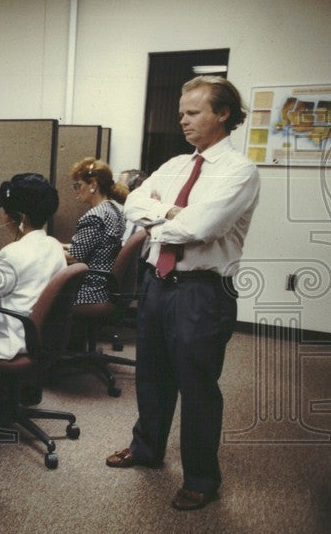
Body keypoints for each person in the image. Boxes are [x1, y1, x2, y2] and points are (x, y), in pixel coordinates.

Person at [105, 76, 259, 511]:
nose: (183, 122)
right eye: (181, 114)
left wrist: (164, 217)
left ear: (222, 114)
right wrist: (167, 211)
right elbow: (133, 204)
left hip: (202, 292)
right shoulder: (175, 164)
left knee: (197, 386)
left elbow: (200, 228)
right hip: (157, 283)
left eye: (193, 113)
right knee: (151, 375)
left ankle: (202, 478)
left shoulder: (239, 171)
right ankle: (147, 448)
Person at [0, 173, 66, 362]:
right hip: (40, 333)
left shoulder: (12, 253)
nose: (4, 216)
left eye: (6, 211)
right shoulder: (54, 245)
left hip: (13, 337)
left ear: (20, 217)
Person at [64, 158, 129, 313]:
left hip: (90, 291)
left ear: (93, 185)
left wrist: (43, 250)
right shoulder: (114, 209)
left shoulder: (95, 216)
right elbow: (94, 246)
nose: (76, 190)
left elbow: (74, 257)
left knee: (43, 297)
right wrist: (54, 245)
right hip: (105, 287)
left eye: (78, 185)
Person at [117, 169, 148, 244]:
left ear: (132, 188)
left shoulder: (136, 216)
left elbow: (126, 247)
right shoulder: (123, 212)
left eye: (119, 185)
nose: (116, 188)